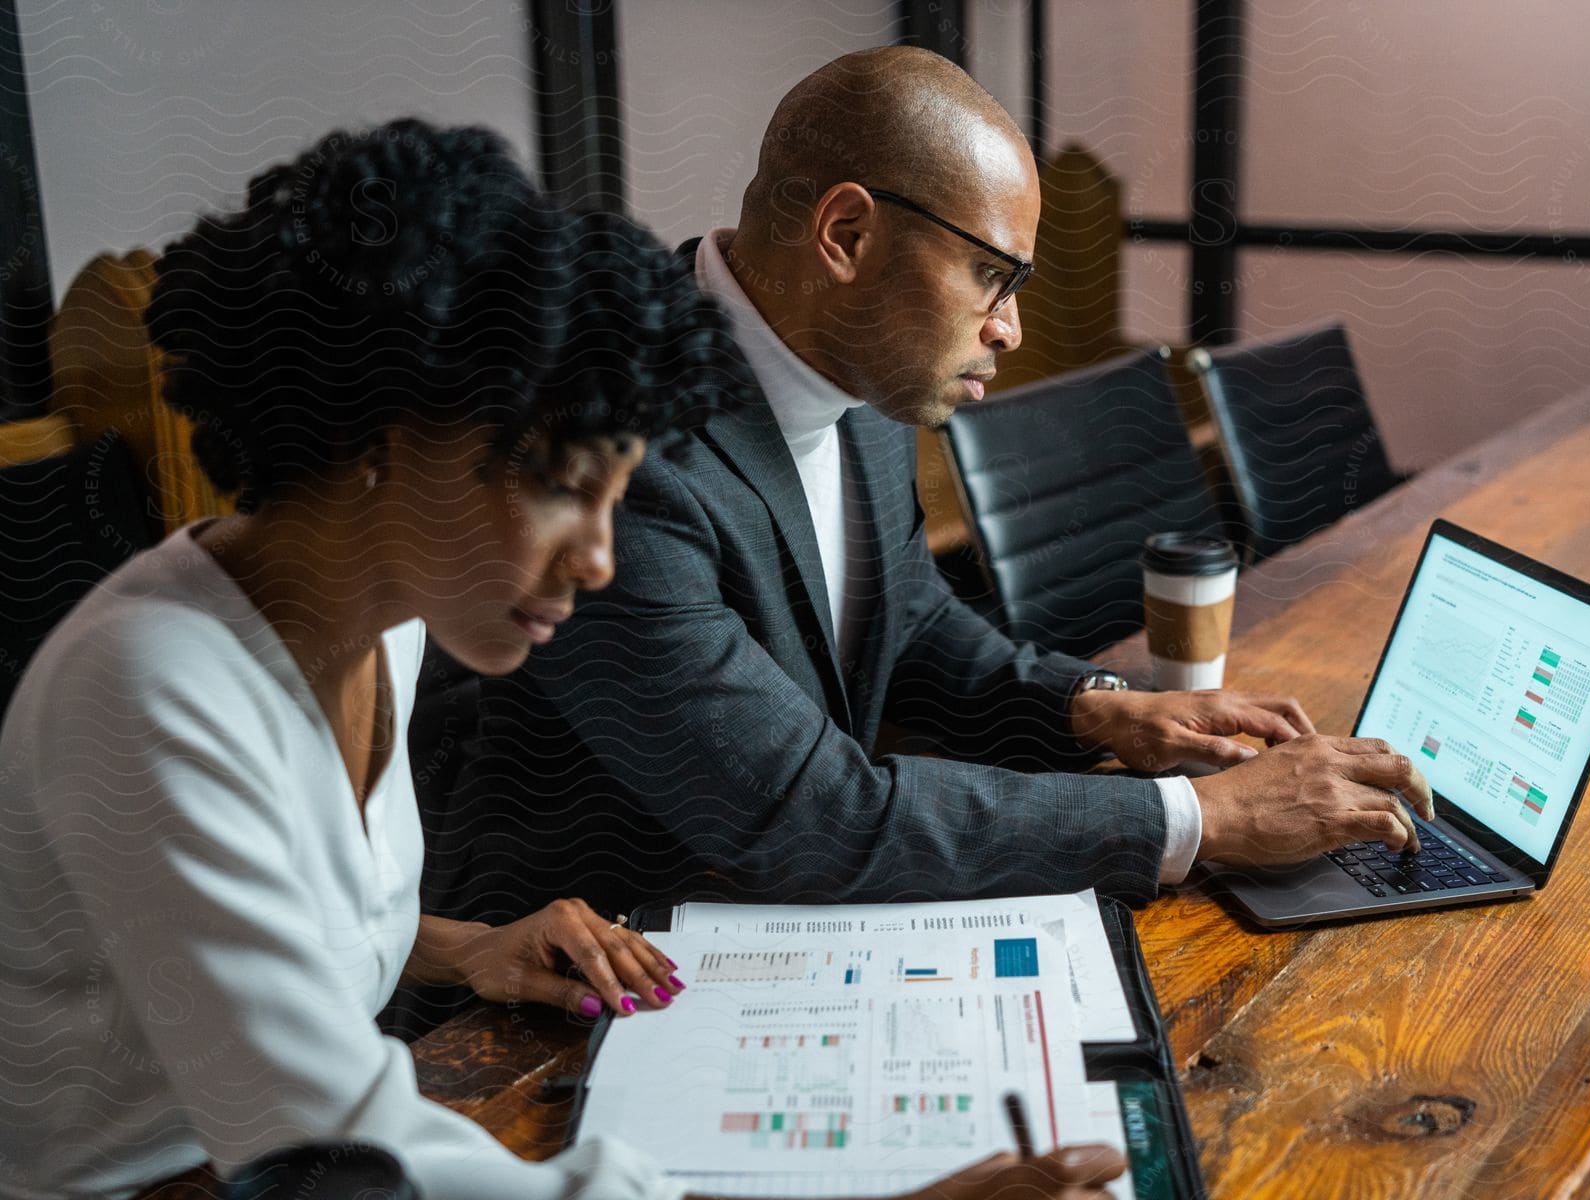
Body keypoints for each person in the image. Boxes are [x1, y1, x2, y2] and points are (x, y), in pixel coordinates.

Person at [0, 120, 1120, 1200]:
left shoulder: (381, 616)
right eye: (564, 489)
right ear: (385, 441)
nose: (597, 561)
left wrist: (460, 951)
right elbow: (338, 1159)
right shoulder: (153, 688)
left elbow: (237, 946)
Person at [437, 45, 1433, 926]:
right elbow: (811, 818)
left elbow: (905, 622)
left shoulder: (856, 368)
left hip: (788, 920)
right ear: (849, 235)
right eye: (993, 276)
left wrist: (1092, 706)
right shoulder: (619, 443)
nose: (1011, 329)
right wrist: (1202, 816)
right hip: (583, 977)